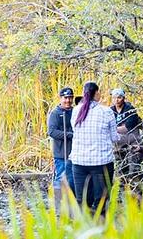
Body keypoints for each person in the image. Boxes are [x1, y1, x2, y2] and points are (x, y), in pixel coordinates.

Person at [68, 82, 122, 216]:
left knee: (83, 200)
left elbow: (75, 131)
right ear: (96, 93)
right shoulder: (106, 111)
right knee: (101, 200)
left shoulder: (76, 110)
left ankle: (85, 228)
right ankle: (100, 228)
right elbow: (114, 137)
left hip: (79, 162)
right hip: (101, 162)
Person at [46, 87, 75, 204]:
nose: (68, 100)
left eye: (70, 98)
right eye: (65, 98)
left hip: (75, 153)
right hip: (61, 152)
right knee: (61, 177)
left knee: (73, 178)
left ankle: (71, 201)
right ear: (61, 98)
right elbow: (52, 132)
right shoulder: (55, 113)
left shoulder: (76, 111)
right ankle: (58, 203)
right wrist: (70, 135)